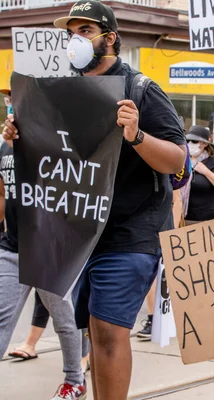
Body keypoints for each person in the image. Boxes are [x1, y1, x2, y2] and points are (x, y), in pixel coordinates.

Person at [10, 1, 185, 398]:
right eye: (70, 32)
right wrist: (18, 133)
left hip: (132, 230)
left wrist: (137, 135)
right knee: (90, 324)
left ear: (111, 38)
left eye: (85, 31)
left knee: (108, 328)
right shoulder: (59, 90)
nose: (76, 40)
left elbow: (177, 160)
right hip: (81, 232)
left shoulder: (140, 89)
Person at [0, 138, 87, 399]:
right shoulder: (5, 145)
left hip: (47, 250)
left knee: (64, 320)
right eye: (7, 98)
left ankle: (75, 379)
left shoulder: (53, 141)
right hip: (12, 247)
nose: (11, 103)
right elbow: (3, 194)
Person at [184, 126, 214, 223]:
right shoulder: (183, 161)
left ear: (204, 144)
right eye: (188, 141)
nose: (190, 144)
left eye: (195, 141)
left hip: (208, 219)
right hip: (185, 217)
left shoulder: (212, 162)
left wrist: (206, 172)